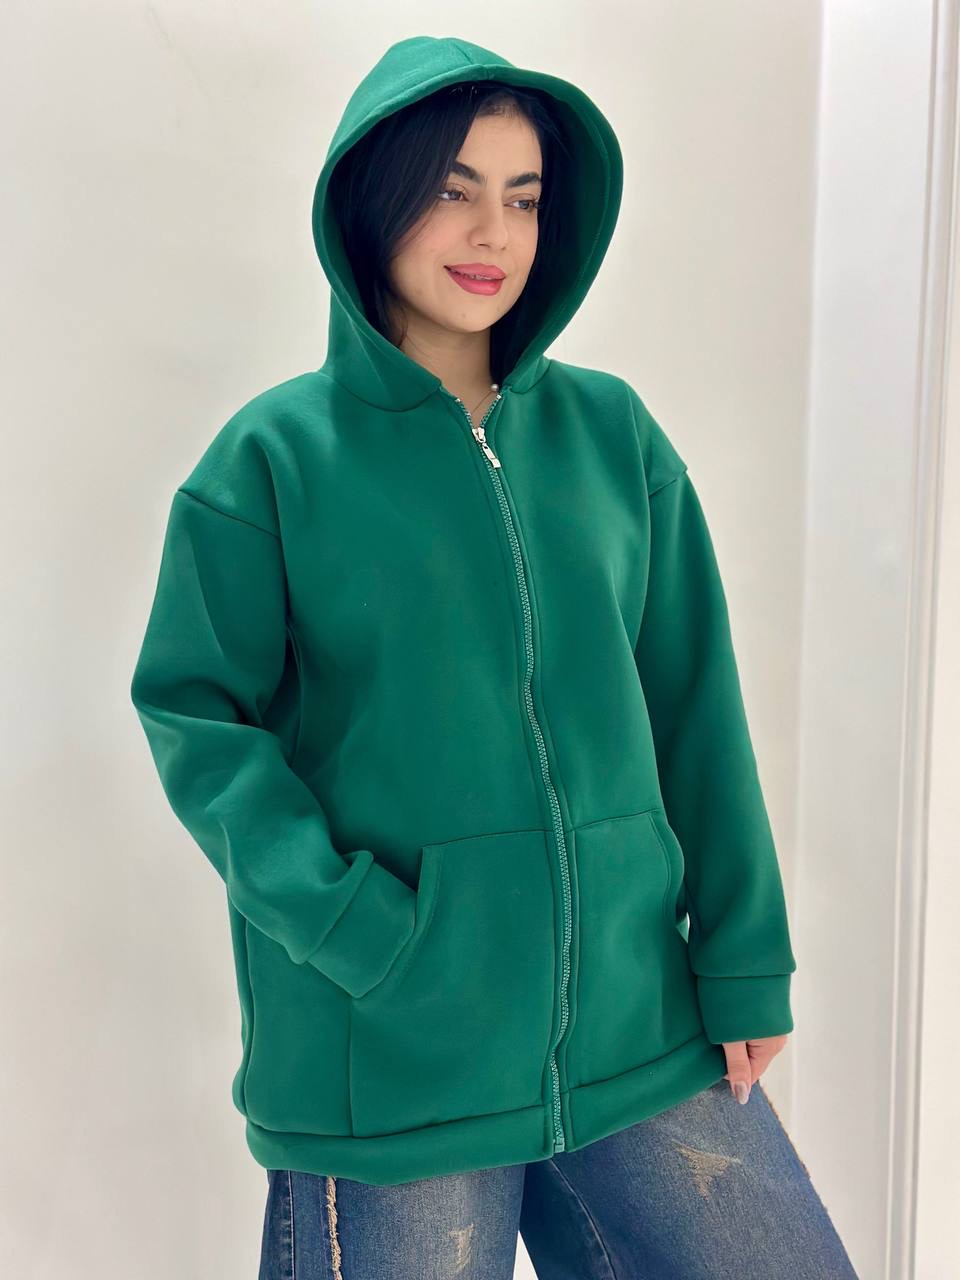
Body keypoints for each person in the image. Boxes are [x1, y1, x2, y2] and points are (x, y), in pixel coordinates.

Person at [130, 33, 859, 1279]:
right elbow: (197, 716)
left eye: (523, 198)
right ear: (374, 198)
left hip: (636, 1023)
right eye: (453, 188)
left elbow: (695, 701)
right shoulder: (273, 463)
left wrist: (743, 954)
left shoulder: (613, 436)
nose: (493, 233)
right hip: (398, 1058)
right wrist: (358, 928)